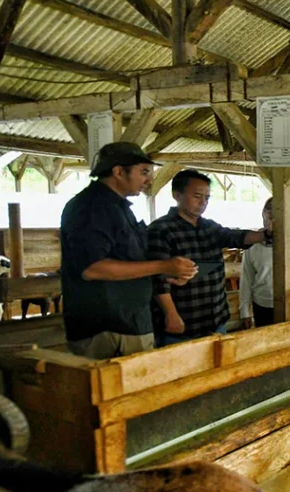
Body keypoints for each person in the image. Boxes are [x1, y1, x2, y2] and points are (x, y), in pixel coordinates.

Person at [60, 142, 198, 359]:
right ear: (118, 171)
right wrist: (163, 265)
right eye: (143, 172)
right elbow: (93, 268)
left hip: (128, 322)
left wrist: (167, 271)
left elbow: (130, 260)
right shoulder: (91, 207)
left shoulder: (118, 208)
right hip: (107, 328)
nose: (149, 180)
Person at [147, 169, 268, 347]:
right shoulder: (160, 230)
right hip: (182, 324)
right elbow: (157, 278)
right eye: (197, 196)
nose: (203, 202)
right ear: (176, 195)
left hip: (215, 320)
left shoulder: (209, 227)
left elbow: (234, 237)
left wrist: (265, 235)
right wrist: (171, 314)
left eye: (207, 197)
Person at [239, 197, 290, 328]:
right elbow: (246, 279)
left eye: (278, 210)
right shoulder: (253, 242)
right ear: (263, 213)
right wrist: (245, 311)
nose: (272, 213)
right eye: (269, 209)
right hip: (263, 305)